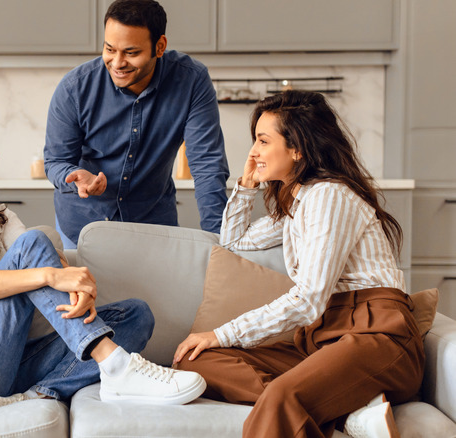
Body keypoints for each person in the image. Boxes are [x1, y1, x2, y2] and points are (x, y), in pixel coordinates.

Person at [0, 115, 206, 412]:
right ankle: (117, 365)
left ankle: (35, 395)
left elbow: (42, 255)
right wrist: (50, 276)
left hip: (15, 357)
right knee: (34, 243)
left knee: (135, 315)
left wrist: (73, 287)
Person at [172, 90, 424, 438]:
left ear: (297, 149)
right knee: (194, 359)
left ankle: (311, 402)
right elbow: (233, 242)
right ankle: (344, 410)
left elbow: (308, 300)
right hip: (322, 340)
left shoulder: (329, 195)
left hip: (375, 338)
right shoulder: (299, 202)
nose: (253, 151)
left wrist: (221, 333)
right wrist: (247, 185)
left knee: (282, 396)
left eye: (263, 141)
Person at [44, 0, 229, 248]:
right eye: (110, 49)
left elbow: (207, 165)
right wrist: (73, 176)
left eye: (131, 53)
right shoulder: (75, 88)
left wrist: (219, 240)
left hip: (153, 226)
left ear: (160, 47)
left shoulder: (191, 81)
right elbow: (55, 161)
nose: (117, 62)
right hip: (82, 226)